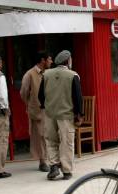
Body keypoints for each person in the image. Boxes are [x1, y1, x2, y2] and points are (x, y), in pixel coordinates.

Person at [38, 50, 83, 181]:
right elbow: (77, 97)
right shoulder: (73, 75)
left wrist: (45, 106)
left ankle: (53, 166)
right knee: (66, 141)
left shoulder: (46, 74)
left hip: (50, 113)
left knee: (50, 140)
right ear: (68, 61)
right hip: (66, 114)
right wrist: (79, 114)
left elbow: (41, 95)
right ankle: (67, 170)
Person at [20, 51, 53, 172]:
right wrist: (30, 104)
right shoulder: (29, 74)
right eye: (49, 59)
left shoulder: (49, 73)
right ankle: (42, 161)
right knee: (39, 136)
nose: (51, 61)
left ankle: (51, 160)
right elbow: (23, 92)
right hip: (37, 111)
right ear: (42, 60)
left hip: (49, 109)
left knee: (49, 135)